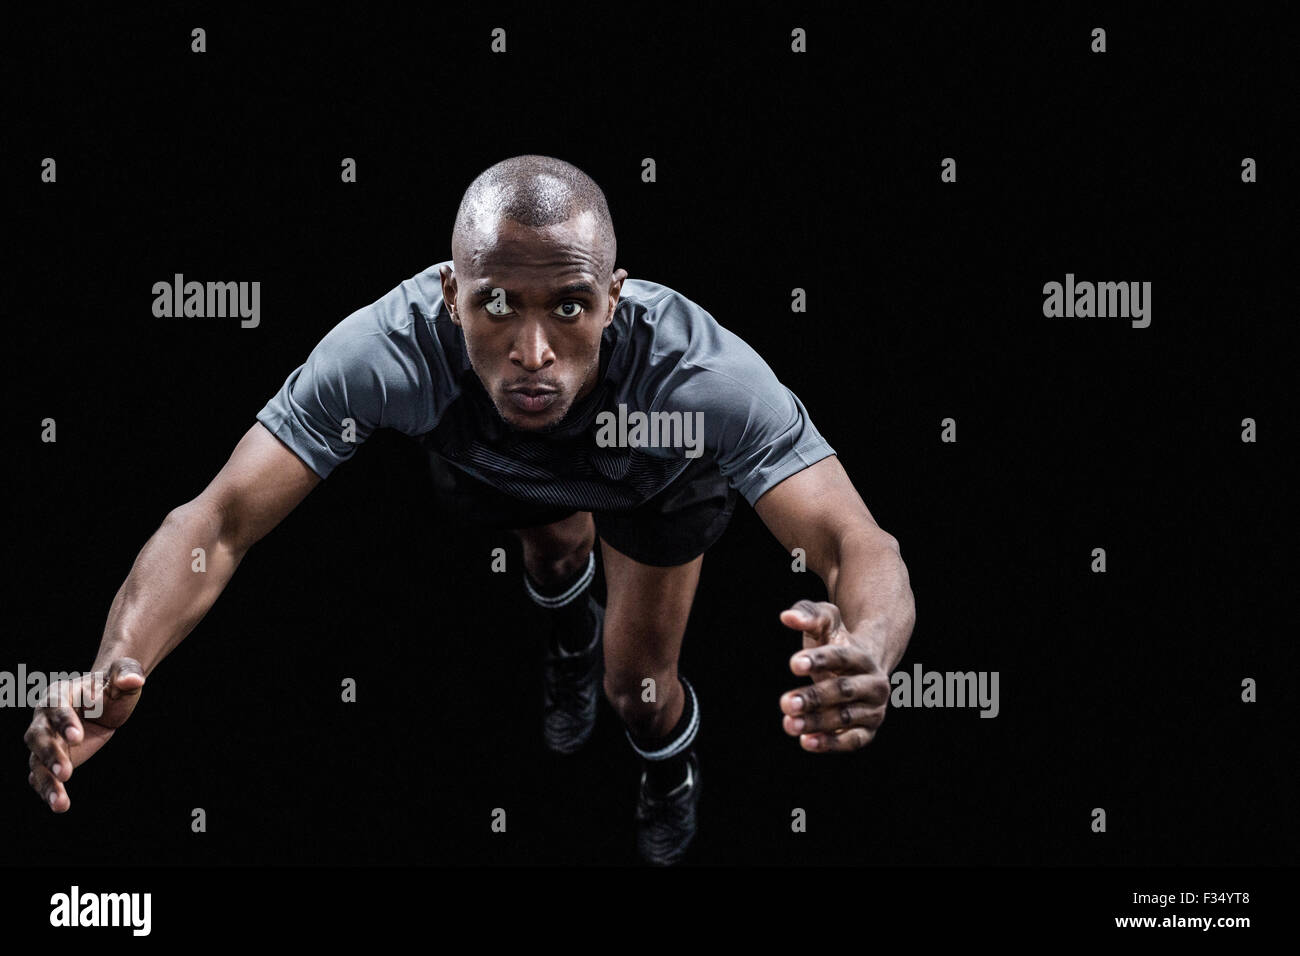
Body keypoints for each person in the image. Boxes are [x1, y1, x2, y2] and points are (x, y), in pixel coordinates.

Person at [24, 154, 916, 865]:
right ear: (451, 295)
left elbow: (854, 540)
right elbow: (216, 523)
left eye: (570, 307)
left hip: (652, 487)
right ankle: (566, 632)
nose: (533, 351)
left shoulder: (700, 374)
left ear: (614, 298)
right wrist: (116, 665)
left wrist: (870, 648)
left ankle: (666, 766)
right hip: (499, 465)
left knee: (635, 693)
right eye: (496, 304)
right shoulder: (388, 352)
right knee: (552, 559)